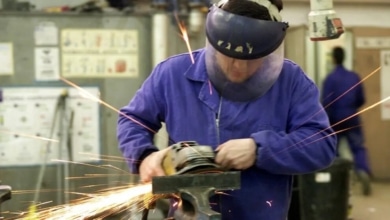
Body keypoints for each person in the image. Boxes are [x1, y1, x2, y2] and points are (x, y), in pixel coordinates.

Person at [117, 0, 337, 219]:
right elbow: (132, 120)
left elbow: (321, 145)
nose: (240, 67)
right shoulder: (172, 74)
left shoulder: (291, 82)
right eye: (230, 56)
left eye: (251, 58)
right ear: (215, 42)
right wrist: (144, 156)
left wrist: (259, 149)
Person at [322, 46, 372, 196]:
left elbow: (326, 102)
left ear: (334, 59)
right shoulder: (354, 76)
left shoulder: (330, 79)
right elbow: (361, 99)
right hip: (352, 117)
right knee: (358, 147)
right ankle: (362, 170)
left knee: (333, 149)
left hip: (335, 119)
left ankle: (335, 179)